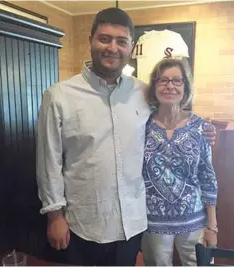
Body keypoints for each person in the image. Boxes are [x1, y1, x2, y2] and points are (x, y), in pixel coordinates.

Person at [36, 7, 216, 266]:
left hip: (132, 224)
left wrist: (203, 129)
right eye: (105, 39)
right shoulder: (59, 96)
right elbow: (48, 162)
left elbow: (173, 111)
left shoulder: (143, 93)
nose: (113, 48)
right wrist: (54, 216)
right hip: (84, 224)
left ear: (131, 47)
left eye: (121, 41)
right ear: (91, 41)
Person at [141, 58, 218, 266]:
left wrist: (212, 225)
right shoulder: (142, 125)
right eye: (163, 80)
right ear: (154, 86)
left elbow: (207, 176)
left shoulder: (200, 127)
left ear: (186, 86)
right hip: (152, 221)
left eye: (177, 80)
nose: (170, 86)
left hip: (193, 219)